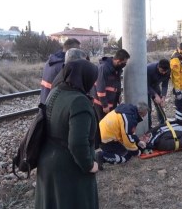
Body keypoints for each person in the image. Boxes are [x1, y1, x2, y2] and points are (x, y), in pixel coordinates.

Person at [35, 59, 99, 208]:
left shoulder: (56, 91)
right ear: (85, 78)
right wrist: (89, 165)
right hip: (68, 167)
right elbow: (77, 144)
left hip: (47, 159)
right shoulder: (79, 102)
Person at [91, 49, 130, 123]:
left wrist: (118, 96)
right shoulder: (104, 68)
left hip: (111, 103)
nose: (125, 64)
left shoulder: (116, 69)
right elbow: (100, 88)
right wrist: (104, 105)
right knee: (103, 125)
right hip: (101, 104)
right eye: (124, 62)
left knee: (109, 124)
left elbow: (116, 84)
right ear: (118, 61)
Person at [39, 38, 80, 104]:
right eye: (79, 50)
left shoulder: (50, 61)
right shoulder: (64, 66)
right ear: (73, 51)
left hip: (45, 100)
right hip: (54, 104)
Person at [147, 59, 170, 128]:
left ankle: (162, 123)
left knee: (159, 104)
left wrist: (163, 96)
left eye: (165, 71)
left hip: (155, 86)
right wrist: (155, 95)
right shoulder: (149, 69)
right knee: (148, 108)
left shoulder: (168, 71)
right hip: (145, 86)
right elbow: (146, 85)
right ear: (158, 67)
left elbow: (165, 85)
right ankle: (149, 126)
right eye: (162, 71)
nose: (163, 73)